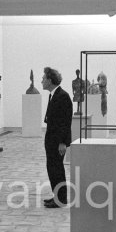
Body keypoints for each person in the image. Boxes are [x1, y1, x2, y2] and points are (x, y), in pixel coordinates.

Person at [42, 67, 73, 208]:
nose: (41, 81)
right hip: (51, 140)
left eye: (43, 78)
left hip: (57, 141)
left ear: (49, 80)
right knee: (52, 168)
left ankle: (61, 198)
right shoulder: (53, 95)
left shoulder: (63, 96)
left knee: (57, 169)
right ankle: (57, 196)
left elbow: (65, 122)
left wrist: (62, 142)